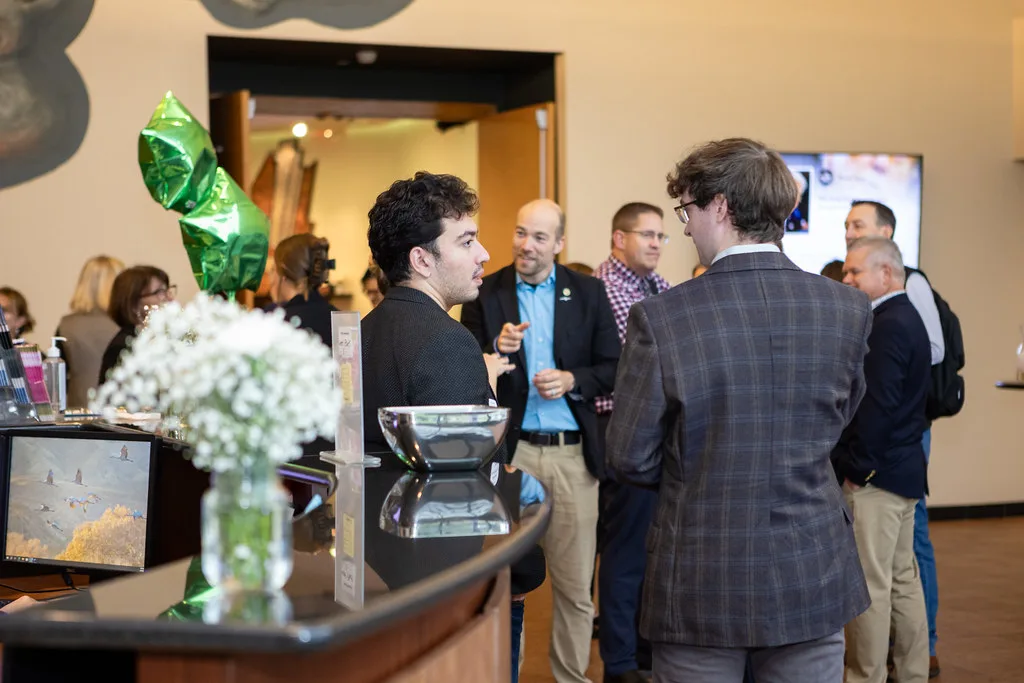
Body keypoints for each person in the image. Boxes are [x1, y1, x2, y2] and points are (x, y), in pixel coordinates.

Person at [606, 138, 871, 682]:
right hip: (812, 568)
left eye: (687, 210)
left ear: (721, 207)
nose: (684, 227)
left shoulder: (664, 317)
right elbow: (842, 417)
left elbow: (630, 455)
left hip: (702, 573)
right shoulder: (846, 307)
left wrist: (697, 470)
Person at [461, 198, 620, 683]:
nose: (526, 245)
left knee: (575, 588)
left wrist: (573, 380)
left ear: (560, 244)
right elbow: (465, 373)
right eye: (520, 233)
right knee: (510, 583)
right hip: (514, 454)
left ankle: (571, 678)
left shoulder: (589, 293)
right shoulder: (486, 291)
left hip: (573, 455)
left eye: (539, 237)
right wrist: (494, 351)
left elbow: (615, 368)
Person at [844, 200, 945, 678]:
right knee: (903, 578)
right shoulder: (907, 320)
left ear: (885, 274)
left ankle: (865, 676)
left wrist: (856, 471)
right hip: (904, 472)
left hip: (878, 477)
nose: (846, 281)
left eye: (853, 272)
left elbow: (876, 411)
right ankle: (911, 672)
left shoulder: (887, 326)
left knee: (871, 584)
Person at [593, 202, 670, 683]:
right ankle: (620, 662)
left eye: (662, 235)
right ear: (619, 238)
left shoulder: (660, 288)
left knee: (653, 553)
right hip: (618, 429)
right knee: (623, 554)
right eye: (647, 235)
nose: (658, 243)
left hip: (660, 433)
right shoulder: (602, 289)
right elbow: (632, 368)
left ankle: (645, 653)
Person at [55, 255, 125, 407]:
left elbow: (58, 375)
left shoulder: (66, 325)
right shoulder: (126, 325)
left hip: (78, 408)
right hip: (121, 409)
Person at [99, 266, 175, 383]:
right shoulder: (123, 347)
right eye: (160, 292)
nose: (169, 298)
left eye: (168, 290)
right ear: (134, 305)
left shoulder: (162, 337)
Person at [269, 234, 337, 348]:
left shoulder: (274, 319)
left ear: (283, 274)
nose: (270, 277)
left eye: (272, 269)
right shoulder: (340, 319)